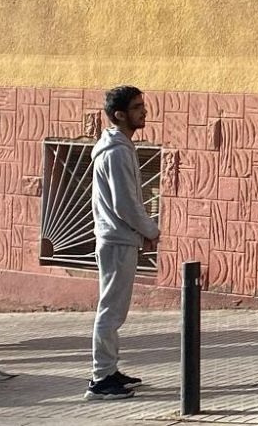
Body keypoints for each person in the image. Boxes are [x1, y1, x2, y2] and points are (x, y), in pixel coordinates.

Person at [87, 86, 160, 401]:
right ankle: (101, 379)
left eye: (143, 105)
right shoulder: (116, 151)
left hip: (118, 236)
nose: (143, 111)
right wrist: (150, 230)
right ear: (119, 114)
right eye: (136, 107)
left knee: (114, 310)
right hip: (117, 238)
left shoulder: (119, 146)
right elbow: (125, 203)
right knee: (111, 310)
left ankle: (109, 370)